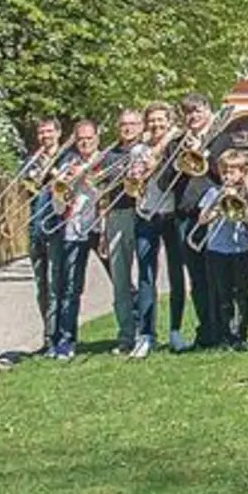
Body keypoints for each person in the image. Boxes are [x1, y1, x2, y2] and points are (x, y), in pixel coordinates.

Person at [130, 101, 183, 359]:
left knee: (176, 274)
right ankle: (146, 334)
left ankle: (176, 330)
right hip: (146, 214)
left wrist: (162, 154)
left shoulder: (176, 145)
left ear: (169, 121)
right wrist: (139, 173)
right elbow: (134, 182)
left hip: (172, 214)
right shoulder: (138, 150)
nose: (156, 124)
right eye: (151, 120)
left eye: (161, 119)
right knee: (146, 275)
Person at [49, 120, 105, 361]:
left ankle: (132, 334)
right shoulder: (67, 164)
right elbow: (58, 206)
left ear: (97, 139)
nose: (85, 143)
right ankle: (66, 340)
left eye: (89, 138)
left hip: (101, 227)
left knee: (121, 282)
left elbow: (112, 193)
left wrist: (89, 180)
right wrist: (62, 188)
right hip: (74, 229)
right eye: (80, 139)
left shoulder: (106, 160)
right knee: (71, 288)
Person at [169, 93, 220, 351]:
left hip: (214, 213)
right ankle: (206, 331)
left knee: (218, 275)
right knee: (197, 277)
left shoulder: (221, 138)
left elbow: (225, 174)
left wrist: (204, 153)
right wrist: (181, 155)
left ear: (208, 111)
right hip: (185, 215)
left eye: (197, 110)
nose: (193, 116)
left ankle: (225, 328)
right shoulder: (175, 144)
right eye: (188, 112)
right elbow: (166, 182)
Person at [197, 151, 248, 350]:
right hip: (217, 250)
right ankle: (225, 335)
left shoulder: (246, 194)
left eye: (232, 172)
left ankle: (241, 335)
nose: (227, 176)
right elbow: (202, 220)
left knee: (241, 294)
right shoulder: (213, 193)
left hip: (241, 249)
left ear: (242, 173)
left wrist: (238, 199)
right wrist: (218, 205)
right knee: (222, 295)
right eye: (224, 172)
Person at [101, 109, 146, 355]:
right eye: (123, 124)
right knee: (120, 280)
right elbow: (103, 193)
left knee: (146, 276)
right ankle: (126, 334)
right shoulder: (109, 155)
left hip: (142, 213)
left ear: (141, 126)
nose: (127, 128)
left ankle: (146, 333)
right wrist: (103, 229)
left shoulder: (148, 150)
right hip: (117, 215)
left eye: (132, 124)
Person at [23, 118, 65, 354]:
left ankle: (57, 336)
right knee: (41, 285)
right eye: (41, 132)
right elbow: (26, 187)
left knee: (55, 284)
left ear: (58, 133)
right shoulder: (32, 159)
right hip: (35, 226)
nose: (45, 136)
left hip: (56, 226)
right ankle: (48, 335)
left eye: (49, 131)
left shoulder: (66, 157)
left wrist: (55, 172)